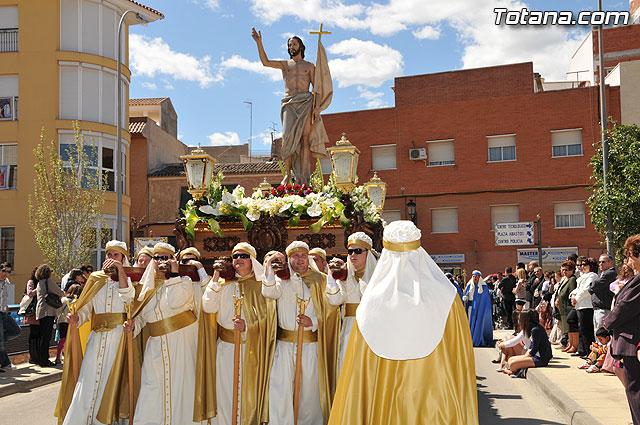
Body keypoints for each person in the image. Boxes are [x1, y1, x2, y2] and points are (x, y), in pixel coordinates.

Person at [327, 221, 478, 425]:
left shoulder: (371, 301)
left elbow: (359, 375)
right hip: (435, 401)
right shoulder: (447, 295)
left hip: (384, 402)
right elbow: (460, 360)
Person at [55, 241, 134, 425]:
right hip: (96, 337)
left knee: (109, 379)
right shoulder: (96, 279)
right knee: (88, 378)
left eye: (116, 255)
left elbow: (129, 300)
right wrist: (77, 318)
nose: (111, 259)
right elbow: (86, 307)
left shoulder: (129, 278)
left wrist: (121, 272)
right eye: (109, 255)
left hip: (118, 337)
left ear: (123, 259)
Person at [262, 241, 340, 425]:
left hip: (310, 347)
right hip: (285, 346)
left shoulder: (320, 280)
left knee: (309, 394)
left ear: (308, 257)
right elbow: (269, 292)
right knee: (281, 391)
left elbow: (332, 312)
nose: (300, 260)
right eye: (295, 256)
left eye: (303, 255)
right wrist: (269, 265)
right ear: (289, 259)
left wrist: (312, 322)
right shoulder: (282, 281)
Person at [201, 242, 277, 425]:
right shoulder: (222, 284)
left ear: (252, 260)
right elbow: (207, 306)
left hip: (251, 348)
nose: (238, 260)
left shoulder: (260, 285)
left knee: (247, 393)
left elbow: (269, 319)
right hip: (226, 349)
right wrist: (216, 278)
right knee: (225, 392)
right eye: (235, 256)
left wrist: (248, 326)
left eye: (243, 256)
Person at [129, 242, 200, 425]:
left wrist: (174, 273)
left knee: (181, 387)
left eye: (166, 258)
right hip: (156, 347)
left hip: (181, 343)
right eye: (158, 258)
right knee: (152, 388)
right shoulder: (147, 288)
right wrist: (133, 326)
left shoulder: (184, 281)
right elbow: (143, 317)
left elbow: (176, 301)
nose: (162, 262)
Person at [252, 28, 330, 185]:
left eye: (294, 44)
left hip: (306, 102)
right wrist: (259, 43)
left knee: (304, 139)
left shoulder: (310, 66)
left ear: (300, 47)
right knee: (287, 136)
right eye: (289, 45)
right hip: (289, 103)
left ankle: (302, 176)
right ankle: (287, 174)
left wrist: (317, 108)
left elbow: (318, 89)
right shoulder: (285, 65)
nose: (291, 47)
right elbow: (265, 62)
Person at [326, 232, 378, 371]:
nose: (353, 255)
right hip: (350, 330)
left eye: (358, 251)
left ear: (368, 253)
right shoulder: (344, 276)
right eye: (350, 251)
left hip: (373, 330)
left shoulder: (379, 276)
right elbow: (335, 300)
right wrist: (331, 279)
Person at [604, 235, 640, 425]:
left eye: (630, 256)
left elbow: (624, 308)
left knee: (635, 390)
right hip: (630, 343)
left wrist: (607, 322)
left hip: (634, 343)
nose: (628, 261)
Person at [34, 264, 64, 367]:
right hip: (48, 311)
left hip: (41, 310)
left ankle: (40, 359)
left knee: (42, 335)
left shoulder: (40, 283)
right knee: (46, 337)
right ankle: (44, 360)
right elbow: (60, 292)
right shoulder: (49, 281)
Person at [506, 309, 552, 378]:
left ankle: (515, 372)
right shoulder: (532, 329)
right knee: (510, 360)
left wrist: (523, 358)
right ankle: (514, 371)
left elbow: (534, 349)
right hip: (534, 356)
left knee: (513, 364)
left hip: (540, 358)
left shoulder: (536, 330)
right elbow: (531, 347)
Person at [571, 256, 597, 357]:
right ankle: (585, 351)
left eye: (585, 265)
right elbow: (577, 289)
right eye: (581, 265)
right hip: (580, 305)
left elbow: (586, 290)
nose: (582, 267)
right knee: (582, 329)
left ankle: (589, 353)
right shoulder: (583, 276)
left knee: (587, 330)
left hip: (587, 305)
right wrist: (573, 296)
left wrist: (576, 298)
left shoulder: (592, 276)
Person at [464, 270, 493, 347]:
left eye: (476, 276)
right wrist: (465, 298)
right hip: (471, 308)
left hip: (480, 309)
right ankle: (470, 339)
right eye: (473, 276)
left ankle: (478, 339)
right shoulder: (469, 285)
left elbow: (485, 300)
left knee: (479, 323)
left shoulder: (484, 287)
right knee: (470, 323)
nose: (475, 278)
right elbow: (467, 296)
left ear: (479, 277)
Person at [55, 283, 83, 365]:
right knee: (72, 340)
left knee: (62, 339)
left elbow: (58, 311)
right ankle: (71, 357)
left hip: (63, 321)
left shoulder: (63, 300)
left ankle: (58, 357)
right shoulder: (78, 301)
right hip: (74, 322)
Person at [0, 262, 20, 372]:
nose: (6, 274)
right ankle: (6, 363)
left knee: (16, 331)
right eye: (4, 271)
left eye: (8, 271)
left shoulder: (6, 282)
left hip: (3, 312)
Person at [589, 253, 616, 334]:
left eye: (603, 262)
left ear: (611, 263)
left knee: (603, 334)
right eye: (599, 262)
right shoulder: (602, 274)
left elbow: (595, 285)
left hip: (604, 309)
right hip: (598, 309)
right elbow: (592, 288)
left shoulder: (610, 273)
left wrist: (592, 286)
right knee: (597, 334)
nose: (600, 264)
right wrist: (592, 287)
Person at [556, 260, 578, 353]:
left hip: (568, 307)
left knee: (571, 328)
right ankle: (570, 344)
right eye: (563, 270)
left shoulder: (572, 279)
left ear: (572, 270)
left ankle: (574, 345)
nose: (564, 272)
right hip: (563, 308)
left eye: (567, 270)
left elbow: (572, 292)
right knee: (567, 329)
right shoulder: (565, 279)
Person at [23, 267, 41, 364]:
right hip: (33, 312)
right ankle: (33, 356)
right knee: (33, 334)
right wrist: (39, 288)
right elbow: (29, 293)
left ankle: (37, 356)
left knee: (39, 335)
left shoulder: (44, 282)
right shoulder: (31, 282)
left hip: (40, 312)